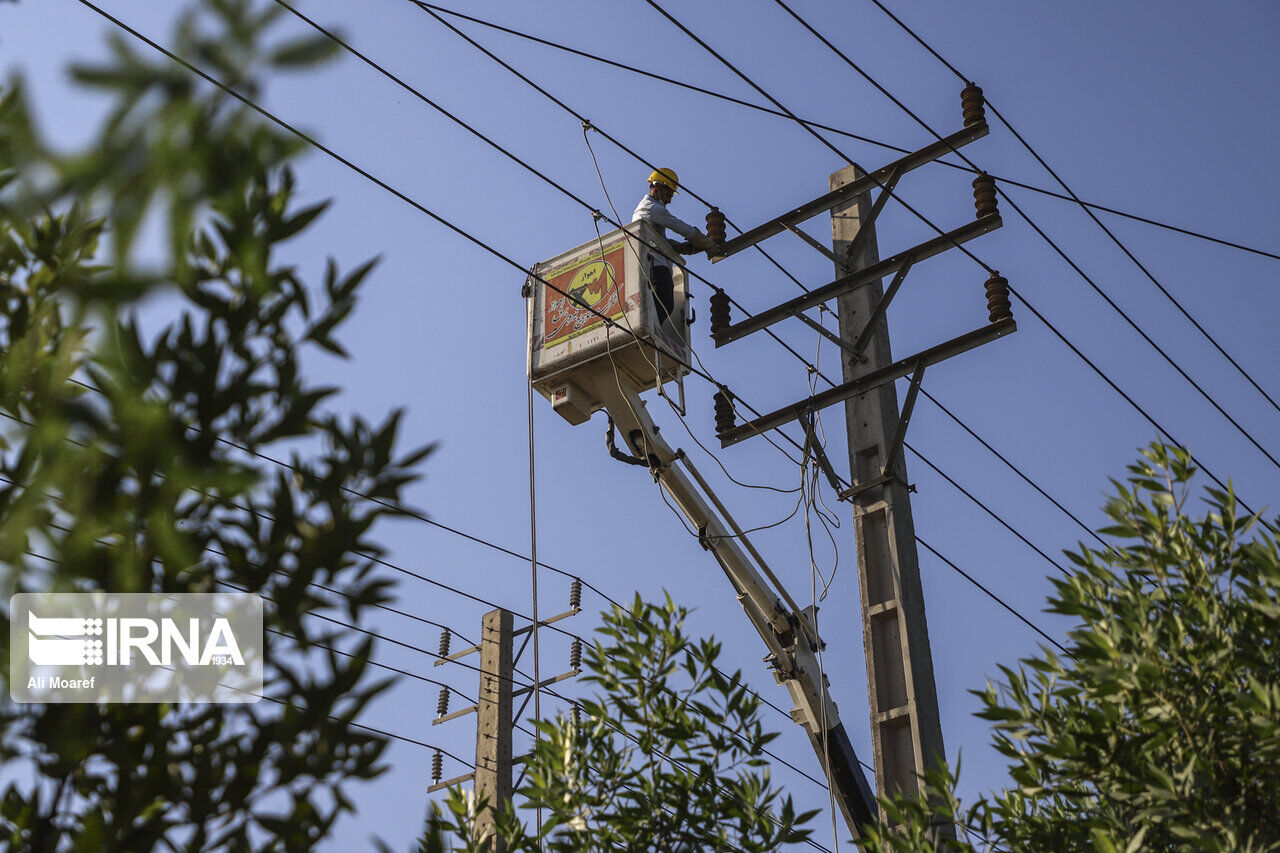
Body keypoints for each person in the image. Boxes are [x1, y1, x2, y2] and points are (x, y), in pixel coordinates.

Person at [630, 168, 715, 325]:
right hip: (655, 265)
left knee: (662, 305)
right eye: (668, 195)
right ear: (657, 188)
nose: (669, 200)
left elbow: (660, 240)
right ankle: (650, 332)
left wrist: (684, 248)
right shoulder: (651, 208)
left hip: (652, 264)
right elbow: (680, 226)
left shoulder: (646, 210)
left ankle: (651, 330)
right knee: (664, 304)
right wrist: (706, 243)